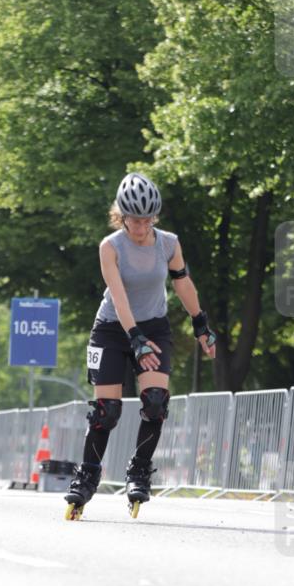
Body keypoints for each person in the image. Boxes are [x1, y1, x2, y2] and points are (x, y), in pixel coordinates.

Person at [64, 171, 217, 511]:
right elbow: (118, 297)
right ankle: (87, 477)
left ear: (155, 216)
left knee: (156, 403)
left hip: (155, 326)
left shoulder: (169, 244)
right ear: (122, 215)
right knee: (107, 411)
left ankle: (139, 472)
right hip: (111, 329)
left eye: (147, 218)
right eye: (134, 219)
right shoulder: (111, 247)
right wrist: (134, 338)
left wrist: (201, 324)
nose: (140, 225)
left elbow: (183, 284)